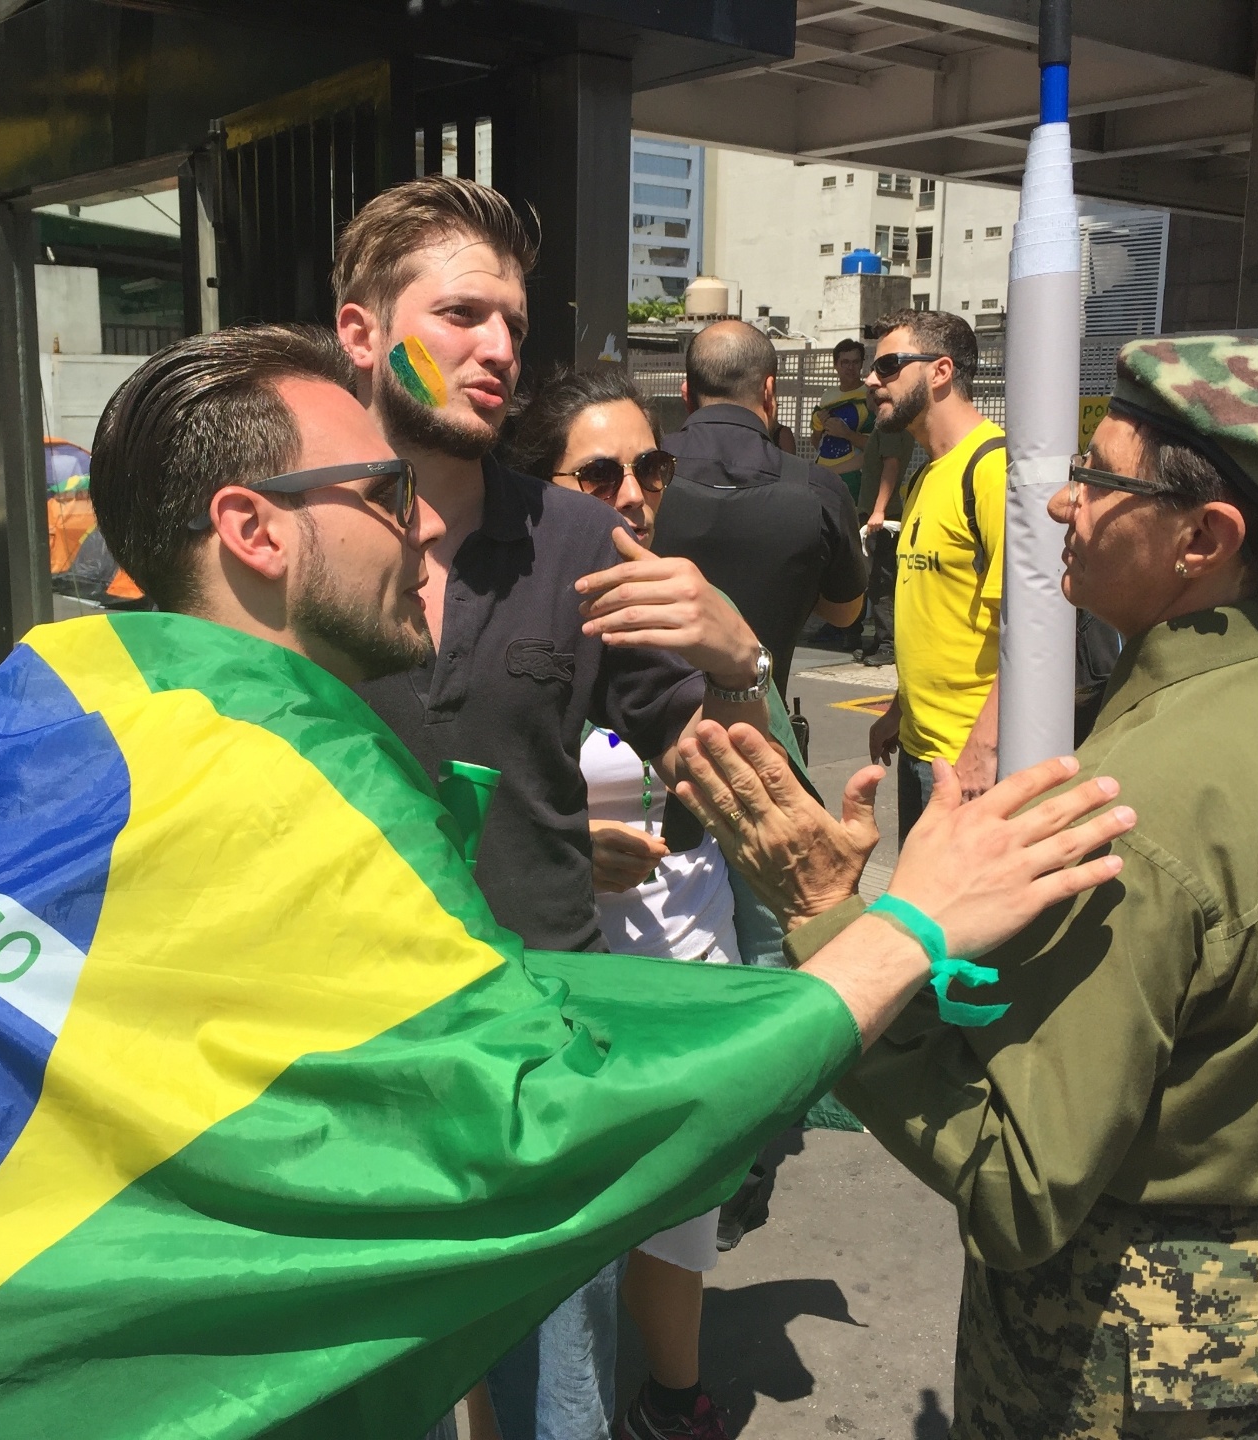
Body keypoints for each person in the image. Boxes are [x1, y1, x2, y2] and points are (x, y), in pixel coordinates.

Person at [0, 322, 1135, 1440]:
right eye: (380, 494)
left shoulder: (42, 692)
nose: (425, 526)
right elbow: (534, 1122)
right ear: (256, 531)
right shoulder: (264, 773)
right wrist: (902, 928)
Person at [687, 335, 1258, 1440]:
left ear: (1204, 539)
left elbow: (1019, 1182)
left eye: (1097, 479)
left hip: (1147, 1343)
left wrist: (837, 922)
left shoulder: (1132, 806)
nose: (1060, 508)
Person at [337, 176, 792, 1440]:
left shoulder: (578, 543)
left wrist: (744, 665)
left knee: (563, 1411)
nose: (497, 350)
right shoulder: (300, 535)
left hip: (546, 1069)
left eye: (513, 325)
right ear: (362, 331)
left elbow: (725, 772)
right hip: (353, 1072)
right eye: (463, 313)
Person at [507, 366, 740, 1440]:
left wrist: (740, 660)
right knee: (563, 1267)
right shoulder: (513, 605)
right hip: (556, 973)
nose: (636, 493)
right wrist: (563, 842)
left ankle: (675, 1395)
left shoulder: (682, 594)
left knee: (681, 1216)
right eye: (600, 474)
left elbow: (738, 761)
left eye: (652, 466)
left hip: (679, 944)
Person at [654, 319, 865, 688]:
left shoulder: (635, 479)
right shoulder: (819, 492)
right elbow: (845, 613)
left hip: (636, 734)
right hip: (760, 731)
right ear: (769, 391)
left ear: (686, 394)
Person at [862, 309, 1006, 836]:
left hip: (968, 759)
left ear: (940, 371)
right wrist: (899, 711)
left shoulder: (992, 469)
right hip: (923, 748)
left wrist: (984, 748)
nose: (872, 380)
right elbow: (935, 611)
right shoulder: (923, 476)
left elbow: (1028, 629)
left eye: (889, 365)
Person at [856, 415, 919, 666]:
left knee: (882, 582)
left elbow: (891, 467)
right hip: (876, 514)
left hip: (882, 517)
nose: (871, 392)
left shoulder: (890, 426)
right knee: (875, 581)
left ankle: (888, 644)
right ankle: (881, 640)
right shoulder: (884, 427)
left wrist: (879, 510)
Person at [811, 337, 874, 508]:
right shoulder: (828, 396)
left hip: (854, 479)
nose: (850, 367)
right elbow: (818, 442)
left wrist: (847, 434)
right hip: (824, 477)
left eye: (855, 362)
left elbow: (876, 446)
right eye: (845, 362)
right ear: (836, 365)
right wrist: (818, 427)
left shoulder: (871, 395)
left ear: (862, 364)